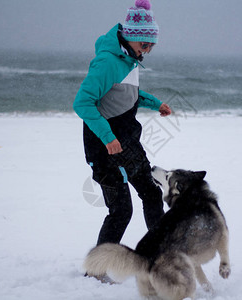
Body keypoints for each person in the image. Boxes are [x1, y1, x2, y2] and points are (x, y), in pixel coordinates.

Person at [74, 0, 172, 247]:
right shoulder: (108, 62)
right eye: (144, 44)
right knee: (121, 211)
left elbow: (127, 95)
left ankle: (161, 255)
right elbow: (83, 103)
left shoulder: (130, 59)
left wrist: (156, 103)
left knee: (151, 193)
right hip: (104, 147)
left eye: (151, 46)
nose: (147, 50)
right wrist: (108, 138)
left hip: (127, 144)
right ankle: (96, 271)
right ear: (130, 37)